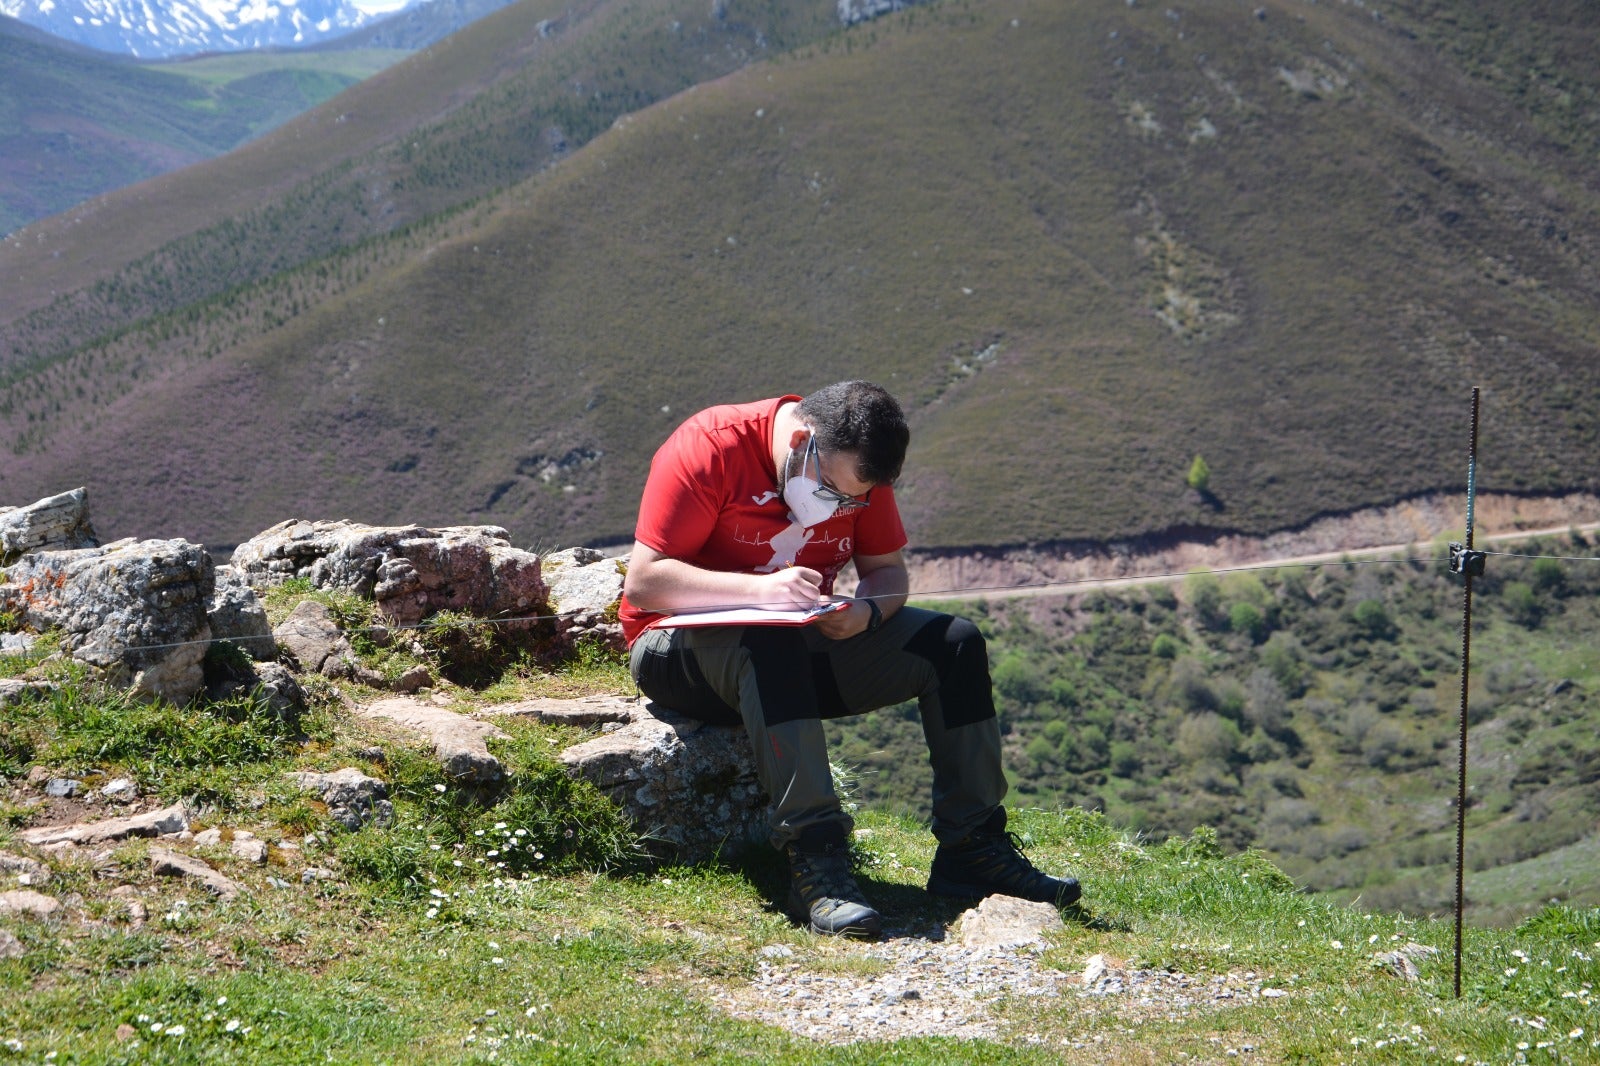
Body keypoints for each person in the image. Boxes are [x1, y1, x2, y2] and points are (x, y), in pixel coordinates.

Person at [620, 380, 1079, 937]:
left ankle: (973, 850)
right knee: (771, 643)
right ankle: (816, 864)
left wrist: (865, 615)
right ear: (802, 443)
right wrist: (760, 592)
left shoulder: (860, 471)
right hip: (676, 653)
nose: (843, 508)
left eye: (854, 500)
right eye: (834, 492)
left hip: (792, 646)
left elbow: (888, 575)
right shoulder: (710, 446)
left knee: (953, 643)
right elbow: (645, 581)